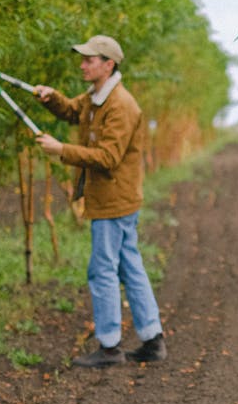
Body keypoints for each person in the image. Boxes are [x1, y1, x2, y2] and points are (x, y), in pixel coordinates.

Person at [31, 34, 167, 369]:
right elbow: (72, 111)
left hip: (113, 201)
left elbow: (108, 157)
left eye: (90, 60)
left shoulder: (120, 106)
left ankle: (109, 347)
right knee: (129, 265)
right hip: (114, 199)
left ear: (108, 65)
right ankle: (152, 339)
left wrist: (61, 150)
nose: (83, 64)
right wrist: (51, 98)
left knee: (102, 269)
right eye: (83, 58)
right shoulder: (97, 97)